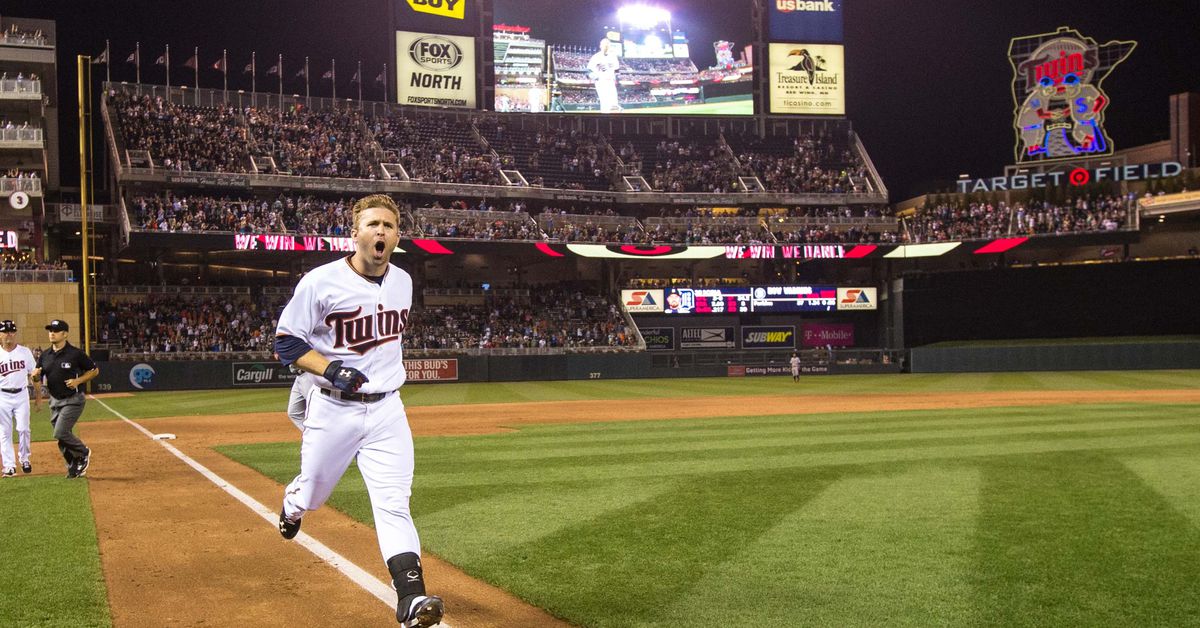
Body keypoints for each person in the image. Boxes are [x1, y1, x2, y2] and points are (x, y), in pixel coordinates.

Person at [273, 194, 443, 628]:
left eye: (388, 225)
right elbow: (287, 343)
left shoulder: (403, 281)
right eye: (372, 225)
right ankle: (292, 505)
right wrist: (331, 369)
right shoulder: (320, 281)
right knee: (313, 495)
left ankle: (410, 596)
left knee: (393, 504)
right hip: (333, 409)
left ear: (397, 235)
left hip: (388, 410)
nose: (380, 232)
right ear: (356, 234)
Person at [32, 319, 97, 478]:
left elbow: (94, 370)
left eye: (56, 330)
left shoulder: (75, 353)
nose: (52, 333)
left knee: (60, 432)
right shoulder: (45, 355)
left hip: (73, 399)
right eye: (50, 331)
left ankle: (83, 452)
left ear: (65, 334)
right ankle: (73, 464)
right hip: (54, 400)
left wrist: (78, 381)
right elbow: (37, 377)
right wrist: (34, 378)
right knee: (61, 436)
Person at [0, 320, 41, 476]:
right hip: (2, 395)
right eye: (5, 331)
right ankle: (9, 466)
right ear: (0, 334)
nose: (9, 334)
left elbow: (35, 375)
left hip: (21, 395)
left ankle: (25, 459)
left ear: (15, 333)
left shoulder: (24, 352)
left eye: (12, 331)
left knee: (23, 429)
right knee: (4, 432)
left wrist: (38, 397)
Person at [587, 38, 621, 113]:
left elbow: (617, 70)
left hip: (611, 81)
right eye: (604, 44)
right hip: (601, 82)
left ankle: (615, 122)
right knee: (605, 103)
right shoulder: (596, 57)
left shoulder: (613, 57)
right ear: (600, 46)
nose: (606, 46)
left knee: (614, 104)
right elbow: (588, 70)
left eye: (608, 44)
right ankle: (604, 121)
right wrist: (595, 76)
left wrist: (617, 80)